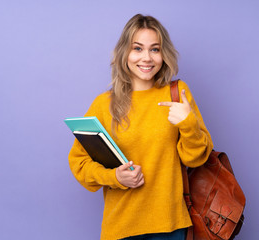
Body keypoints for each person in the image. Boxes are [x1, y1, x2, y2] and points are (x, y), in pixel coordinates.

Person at [68, 14, 213, 240]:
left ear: (163, 54)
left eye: (155, 49)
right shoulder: (103, 104)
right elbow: (79, 163)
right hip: (121, 228)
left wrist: (188, 124)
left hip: (170, 227)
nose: (147, 58)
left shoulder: (177, 93)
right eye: (138, 48)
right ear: (125, 52)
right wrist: (115, 177)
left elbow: (196, 159)